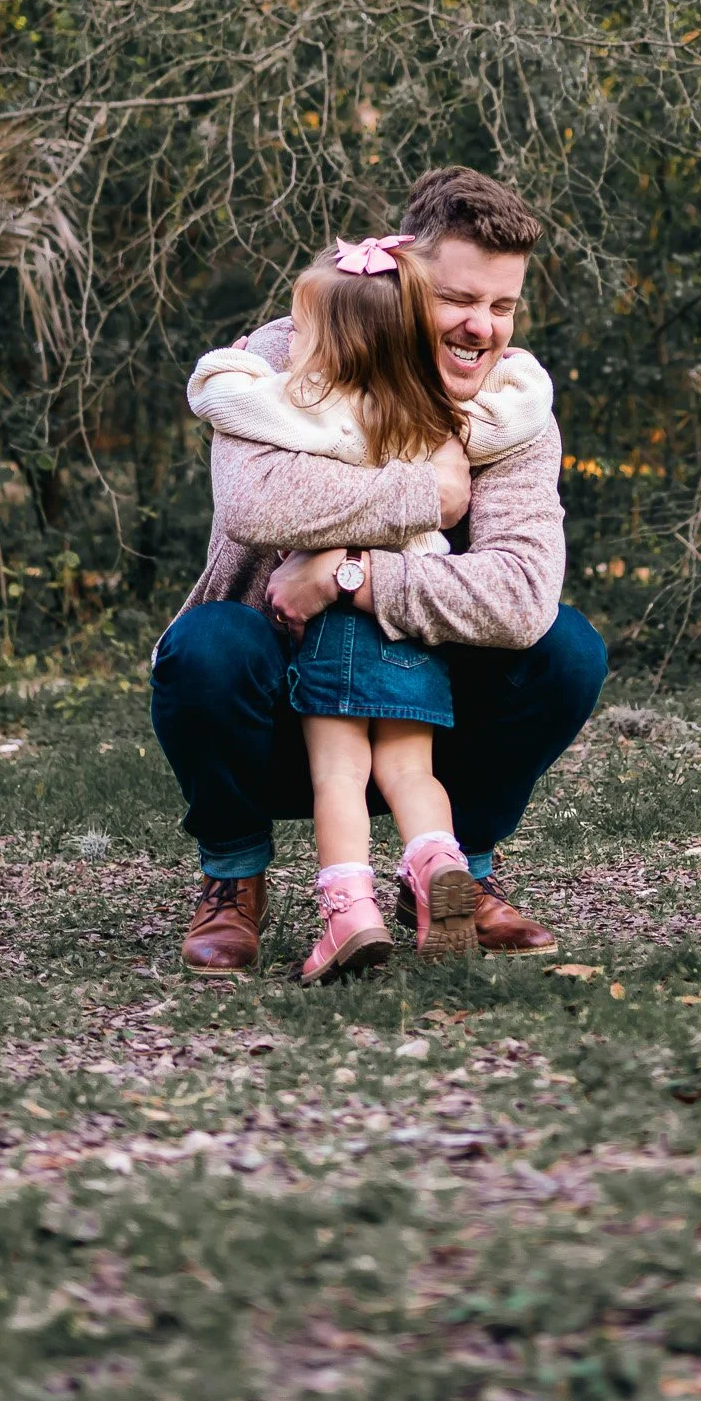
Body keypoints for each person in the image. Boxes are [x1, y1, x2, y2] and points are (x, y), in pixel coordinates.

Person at [150, 165, 608, 973]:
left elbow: (519, 595)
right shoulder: (292, 358)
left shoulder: (509, 411)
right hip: (276, 692)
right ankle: (233, 880)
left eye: (502, 306)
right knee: (208, 645)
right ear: (398, 279)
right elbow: (258, 504)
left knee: (566, 650)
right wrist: (426, 491)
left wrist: (348, 575)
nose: (483, 329)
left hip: (425, 703)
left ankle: (451, 872)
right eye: (459, 301)